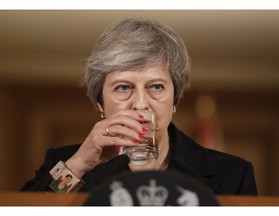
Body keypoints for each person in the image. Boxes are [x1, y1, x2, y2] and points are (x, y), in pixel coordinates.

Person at [21, 17, 258, 195]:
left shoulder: (233, 174)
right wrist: (78, 166)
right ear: (100, 102)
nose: (141, 103)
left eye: (156, 86)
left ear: (174, 99)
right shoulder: (64, 162)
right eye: (123, 88)